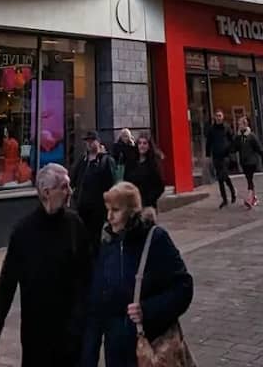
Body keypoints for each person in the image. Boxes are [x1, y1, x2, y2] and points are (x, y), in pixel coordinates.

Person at [0, 163, 93, 367]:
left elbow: (88, 276)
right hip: (37, 338)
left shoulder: (75, 225)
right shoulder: (24, 232)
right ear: (47, 192)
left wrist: (85, 324)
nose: (70, 192)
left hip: (72, 337)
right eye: (64, 187)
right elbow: (5, 289)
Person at [81, 183, 193, 367]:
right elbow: (96, 303)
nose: (110, 217)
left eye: (116, 210)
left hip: (150, 349)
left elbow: (183, 287)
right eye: (108, 210)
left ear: (131, 212)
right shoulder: (108, 244)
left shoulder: (155, 240)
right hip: (116, 352)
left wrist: (148, 310)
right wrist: (89, 356)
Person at [72, 131, 116, 240]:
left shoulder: (105, 160)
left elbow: (110, 183)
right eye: (87, 142)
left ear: (98, 142)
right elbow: (74, 177)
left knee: (95, 236)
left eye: (92, 141)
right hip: (82, 205)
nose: (89, 144)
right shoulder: (83, 160)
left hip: (97, 207)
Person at [233, 116, 263, 209]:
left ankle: (249, 199)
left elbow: (259, 149)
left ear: (245, 125)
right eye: (238, 124)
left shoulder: (251, 136)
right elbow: (235, 148)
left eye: (240, 124)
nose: (239, 126)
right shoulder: (239, 137)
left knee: (249, 179)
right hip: (244, 162)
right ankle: (254, 198)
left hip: (251, 161)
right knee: (249, 179)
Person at [123, 135, 165, 211]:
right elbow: (126, 181)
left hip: (148, 205)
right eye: (140, 143)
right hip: (133, 205)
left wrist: (148, 200)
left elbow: (160, 186)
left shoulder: (154, 164)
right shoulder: (131, 162)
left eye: (145, 143)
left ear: (149, 146)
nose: (142, 146)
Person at [205, 110, 236, 208]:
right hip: (216, 156)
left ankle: (232, 191)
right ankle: (225, 199)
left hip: (225, 156)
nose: (218, 118)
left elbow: (232, 139)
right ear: (214, 117)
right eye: (216, 116)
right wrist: (207, 155)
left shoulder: (226, 127)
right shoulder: (212, 129)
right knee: (221, 179)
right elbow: (208, 143)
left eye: (220, 116)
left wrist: (231, 151)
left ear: (222, 117)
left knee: (223, 175)